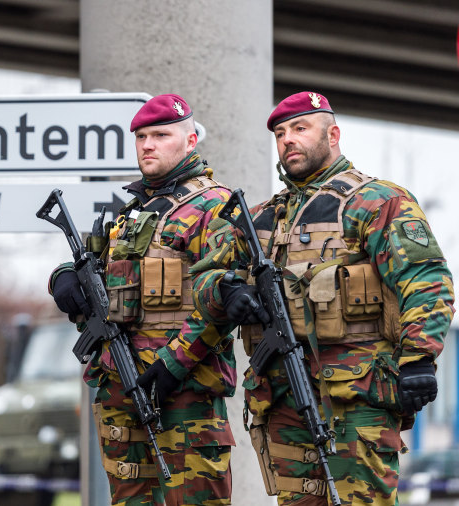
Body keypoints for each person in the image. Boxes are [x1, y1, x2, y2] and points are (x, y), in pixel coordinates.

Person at [191, 91, 455, 505]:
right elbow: (204, 279)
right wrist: (228, 290)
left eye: (300, 128)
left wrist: (419, 358)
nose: (288, 140)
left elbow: (426, 280)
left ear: (332, 134)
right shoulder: (260, 217)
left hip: (358, 396)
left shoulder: (377, 201)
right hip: (279, 396)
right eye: (280, 133)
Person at [48, 94, 237, 505]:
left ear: (190, 142)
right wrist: (62, 278)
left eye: (161, 135)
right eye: (141, 137)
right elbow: (93, 269)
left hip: (182, 391)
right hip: (120, 385)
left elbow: (220, 298)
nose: (148, 145)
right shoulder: (133, 212)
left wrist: (173, 364)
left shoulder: (215, 206)